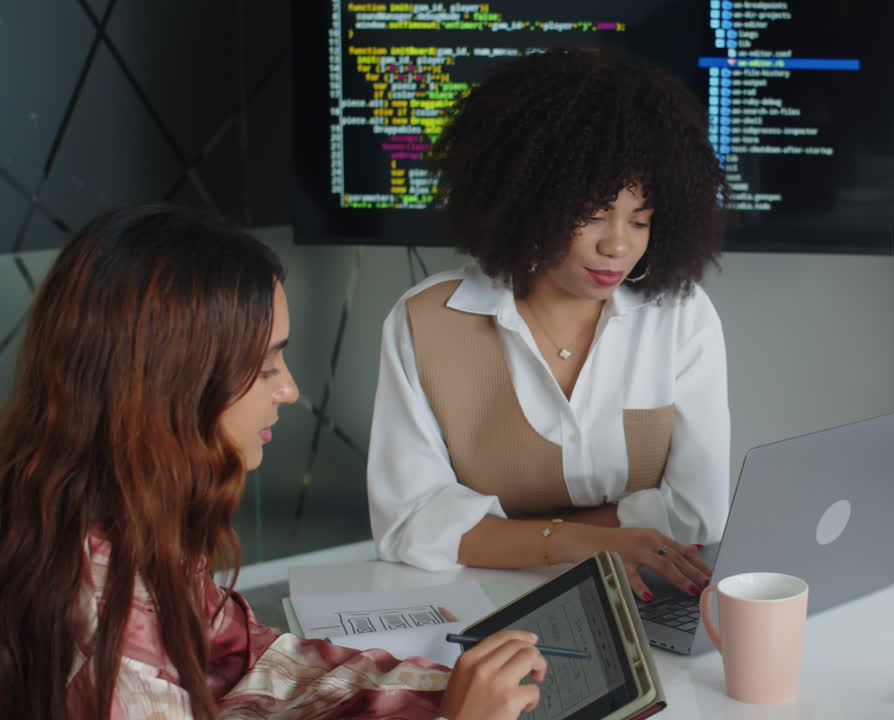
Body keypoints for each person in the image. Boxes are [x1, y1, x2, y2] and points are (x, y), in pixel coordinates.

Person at [0, 205, 546, 720]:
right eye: (264, 368)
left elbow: (243, 663)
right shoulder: (101, 617)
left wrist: (446, 692)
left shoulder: (125, 525)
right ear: (171, 388)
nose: (289, 389)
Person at [367, 47, 731, 602]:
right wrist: (576, 540)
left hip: (642, 598)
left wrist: (503, 534)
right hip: (472, 603)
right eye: (590, 215)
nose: (617, 245)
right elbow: (408, 523)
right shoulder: (427, 322)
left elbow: (696, 515)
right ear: (526, 199)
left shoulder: (680, 317)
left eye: (640, 220)